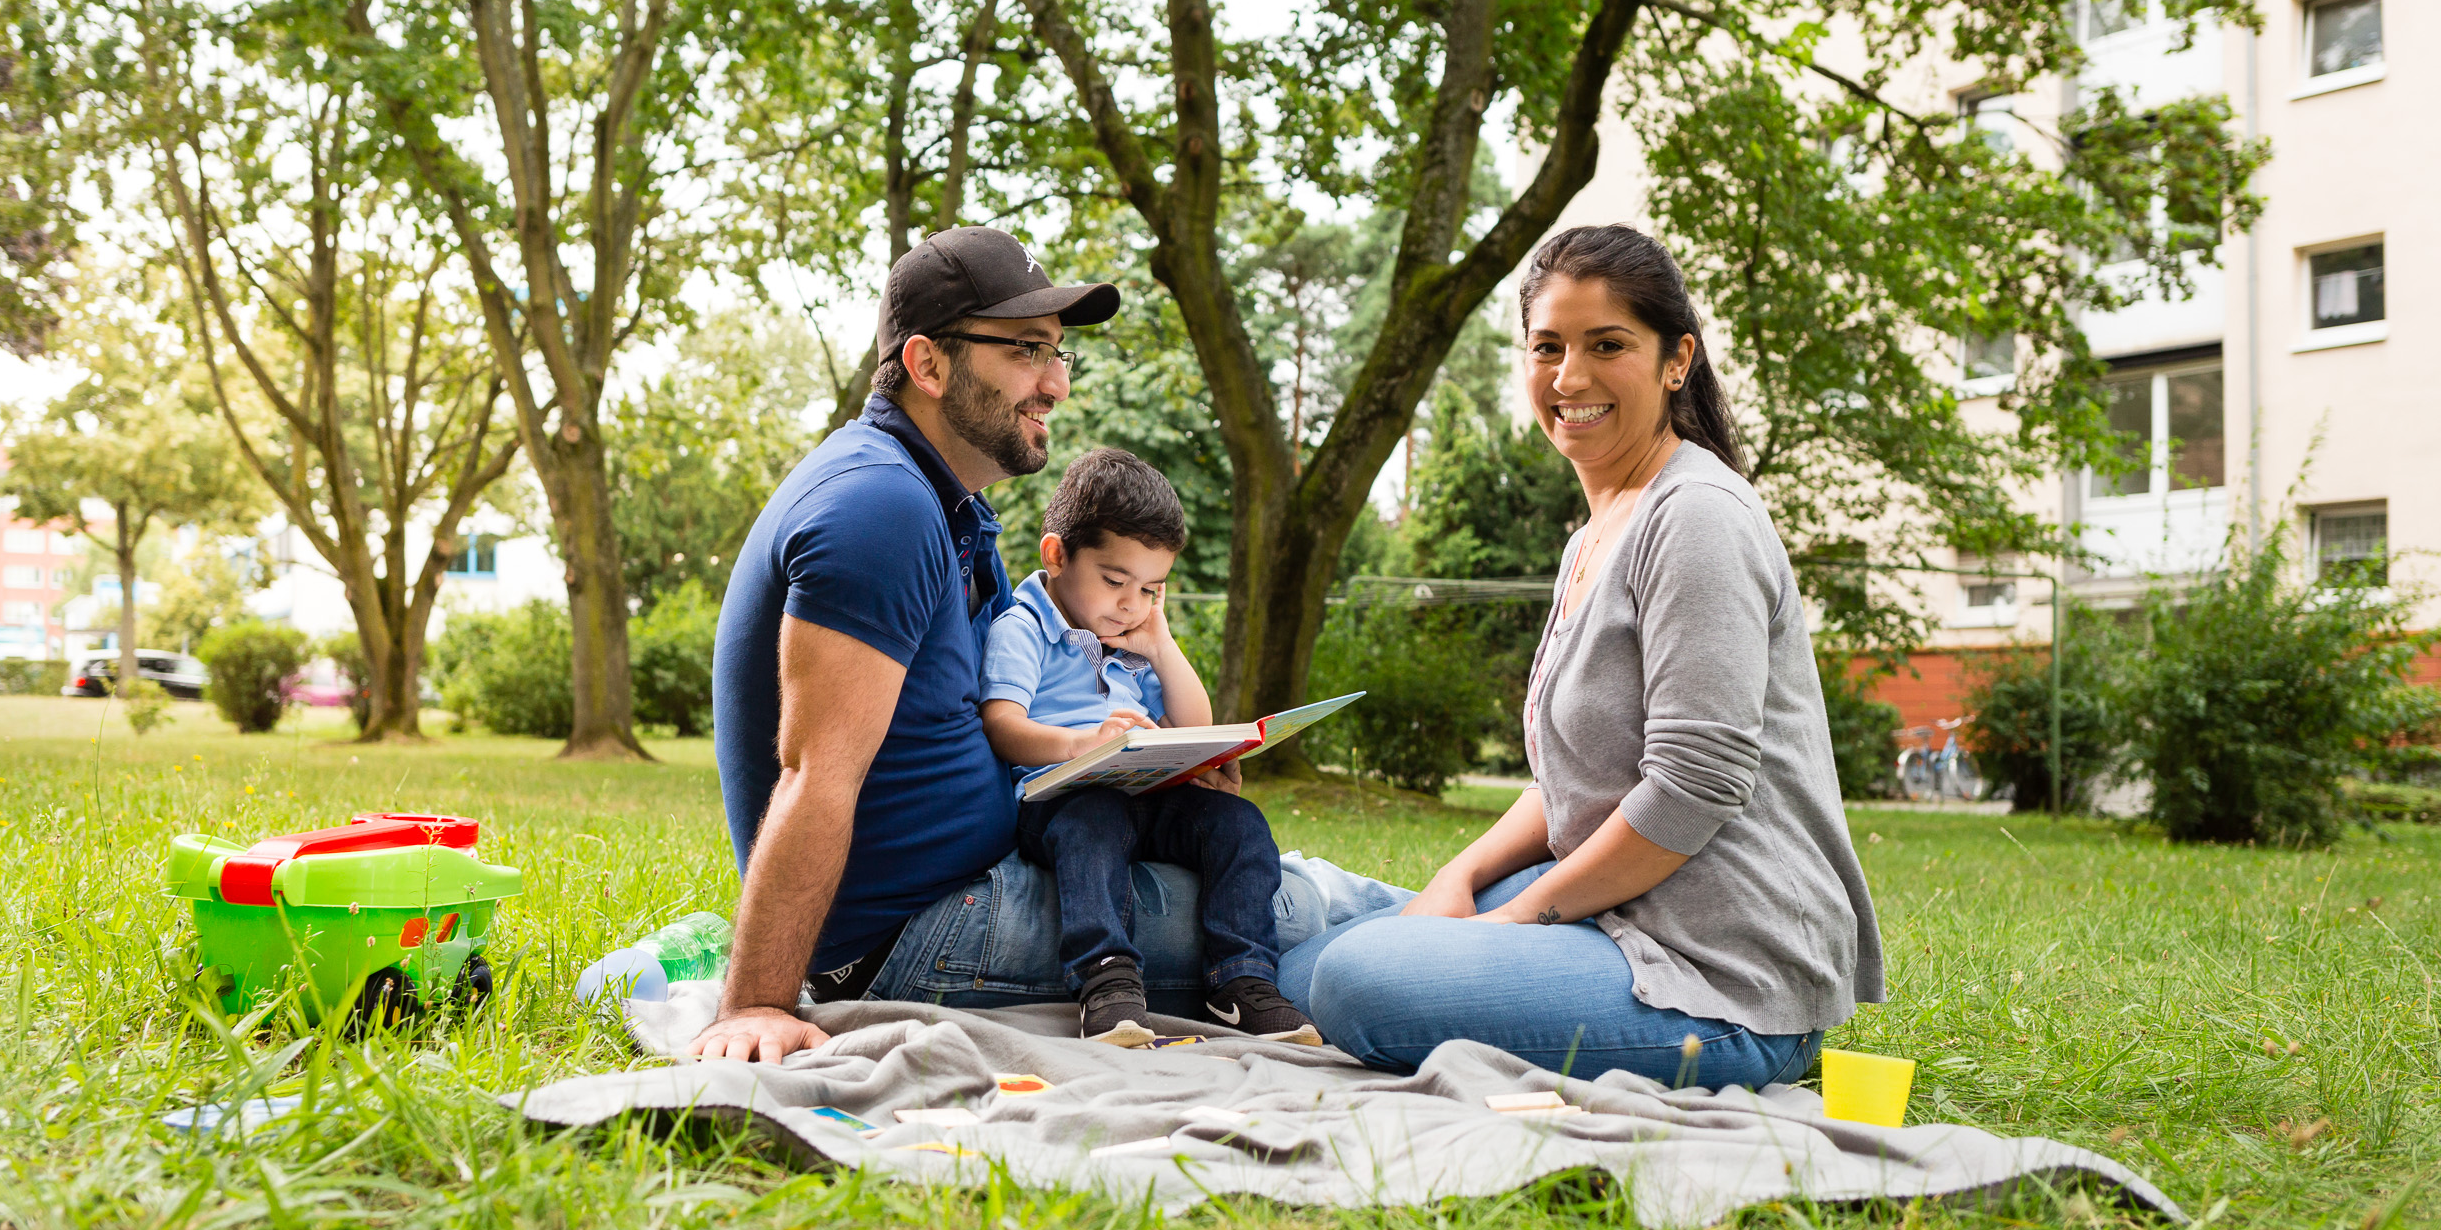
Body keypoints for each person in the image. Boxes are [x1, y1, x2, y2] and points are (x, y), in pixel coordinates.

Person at [692, 227, 1405, 1063]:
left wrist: (1157, 764)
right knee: (1311, 916)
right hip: (922, 935)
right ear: (928, 364)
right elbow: (816, 771)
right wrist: (756, 1003)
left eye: (1061, 354)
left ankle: (1522, 905)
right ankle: (1535, 923)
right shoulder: (878, 507)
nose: (1058, 384)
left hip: (998, 878)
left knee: (1284, 881)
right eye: (1028, 350)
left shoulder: (943, 504)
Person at [1277, 224, 1885, 1088]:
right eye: (1547, 346)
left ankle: (1371, 919)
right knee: (1302, 963)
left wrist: (1519, 916)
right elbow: (1574, 778)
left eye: (1607, 345)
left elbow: (1695, 782)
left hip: (1723, 983)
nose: (1569, 378)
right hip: (1610, 918)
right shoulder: (1596, 534)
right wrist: (1461, 876)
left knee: (1350, 980)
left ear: (1678, 360)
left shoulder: (1697, 516)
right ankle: (1358, 910)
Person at [979, 448, 1319, 1046]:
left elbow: (1193, 721)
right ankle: (1106, 981)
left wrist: (1162, 646)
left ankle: (1241, 982)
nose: (1131, 603)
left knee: (1238, 823)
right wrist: (1082, 743)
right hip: (1062, 800)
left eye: (1152, 589)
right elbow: (1001, 725)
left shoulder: (1134, 635)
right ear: (1057, 555)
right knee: (1094, 822)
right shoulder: (1024, 626)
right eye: (1115, 581)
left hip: (1141, 791)